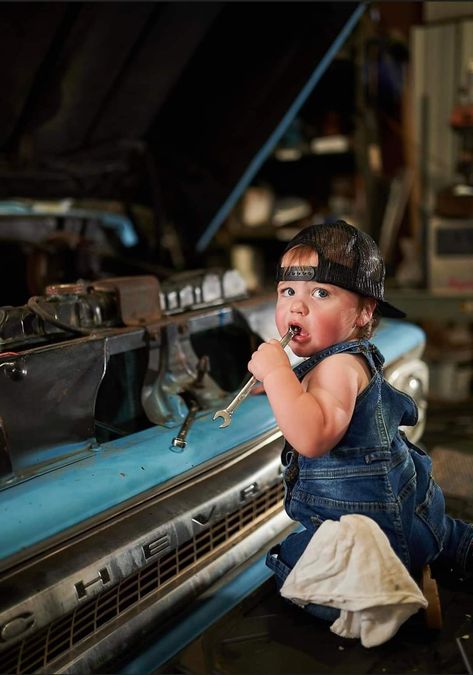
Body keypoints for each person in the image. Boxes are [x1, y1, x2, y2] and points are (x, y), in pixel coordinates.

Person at [247, 219, 473, 622]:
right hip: (416, 511)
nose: (297, 306)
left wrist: (279, 374)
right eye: (288, 291)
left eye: (320, 293)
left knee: (289, 565)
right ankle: (450, 549)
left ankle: (389, 597)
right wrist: (283, 384)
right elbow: (317, 404)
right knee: (452, 537)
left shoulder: (338, 367)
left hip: (375, 537)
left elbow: (313, 437)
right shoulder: (345, 360)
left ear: (364, 311)